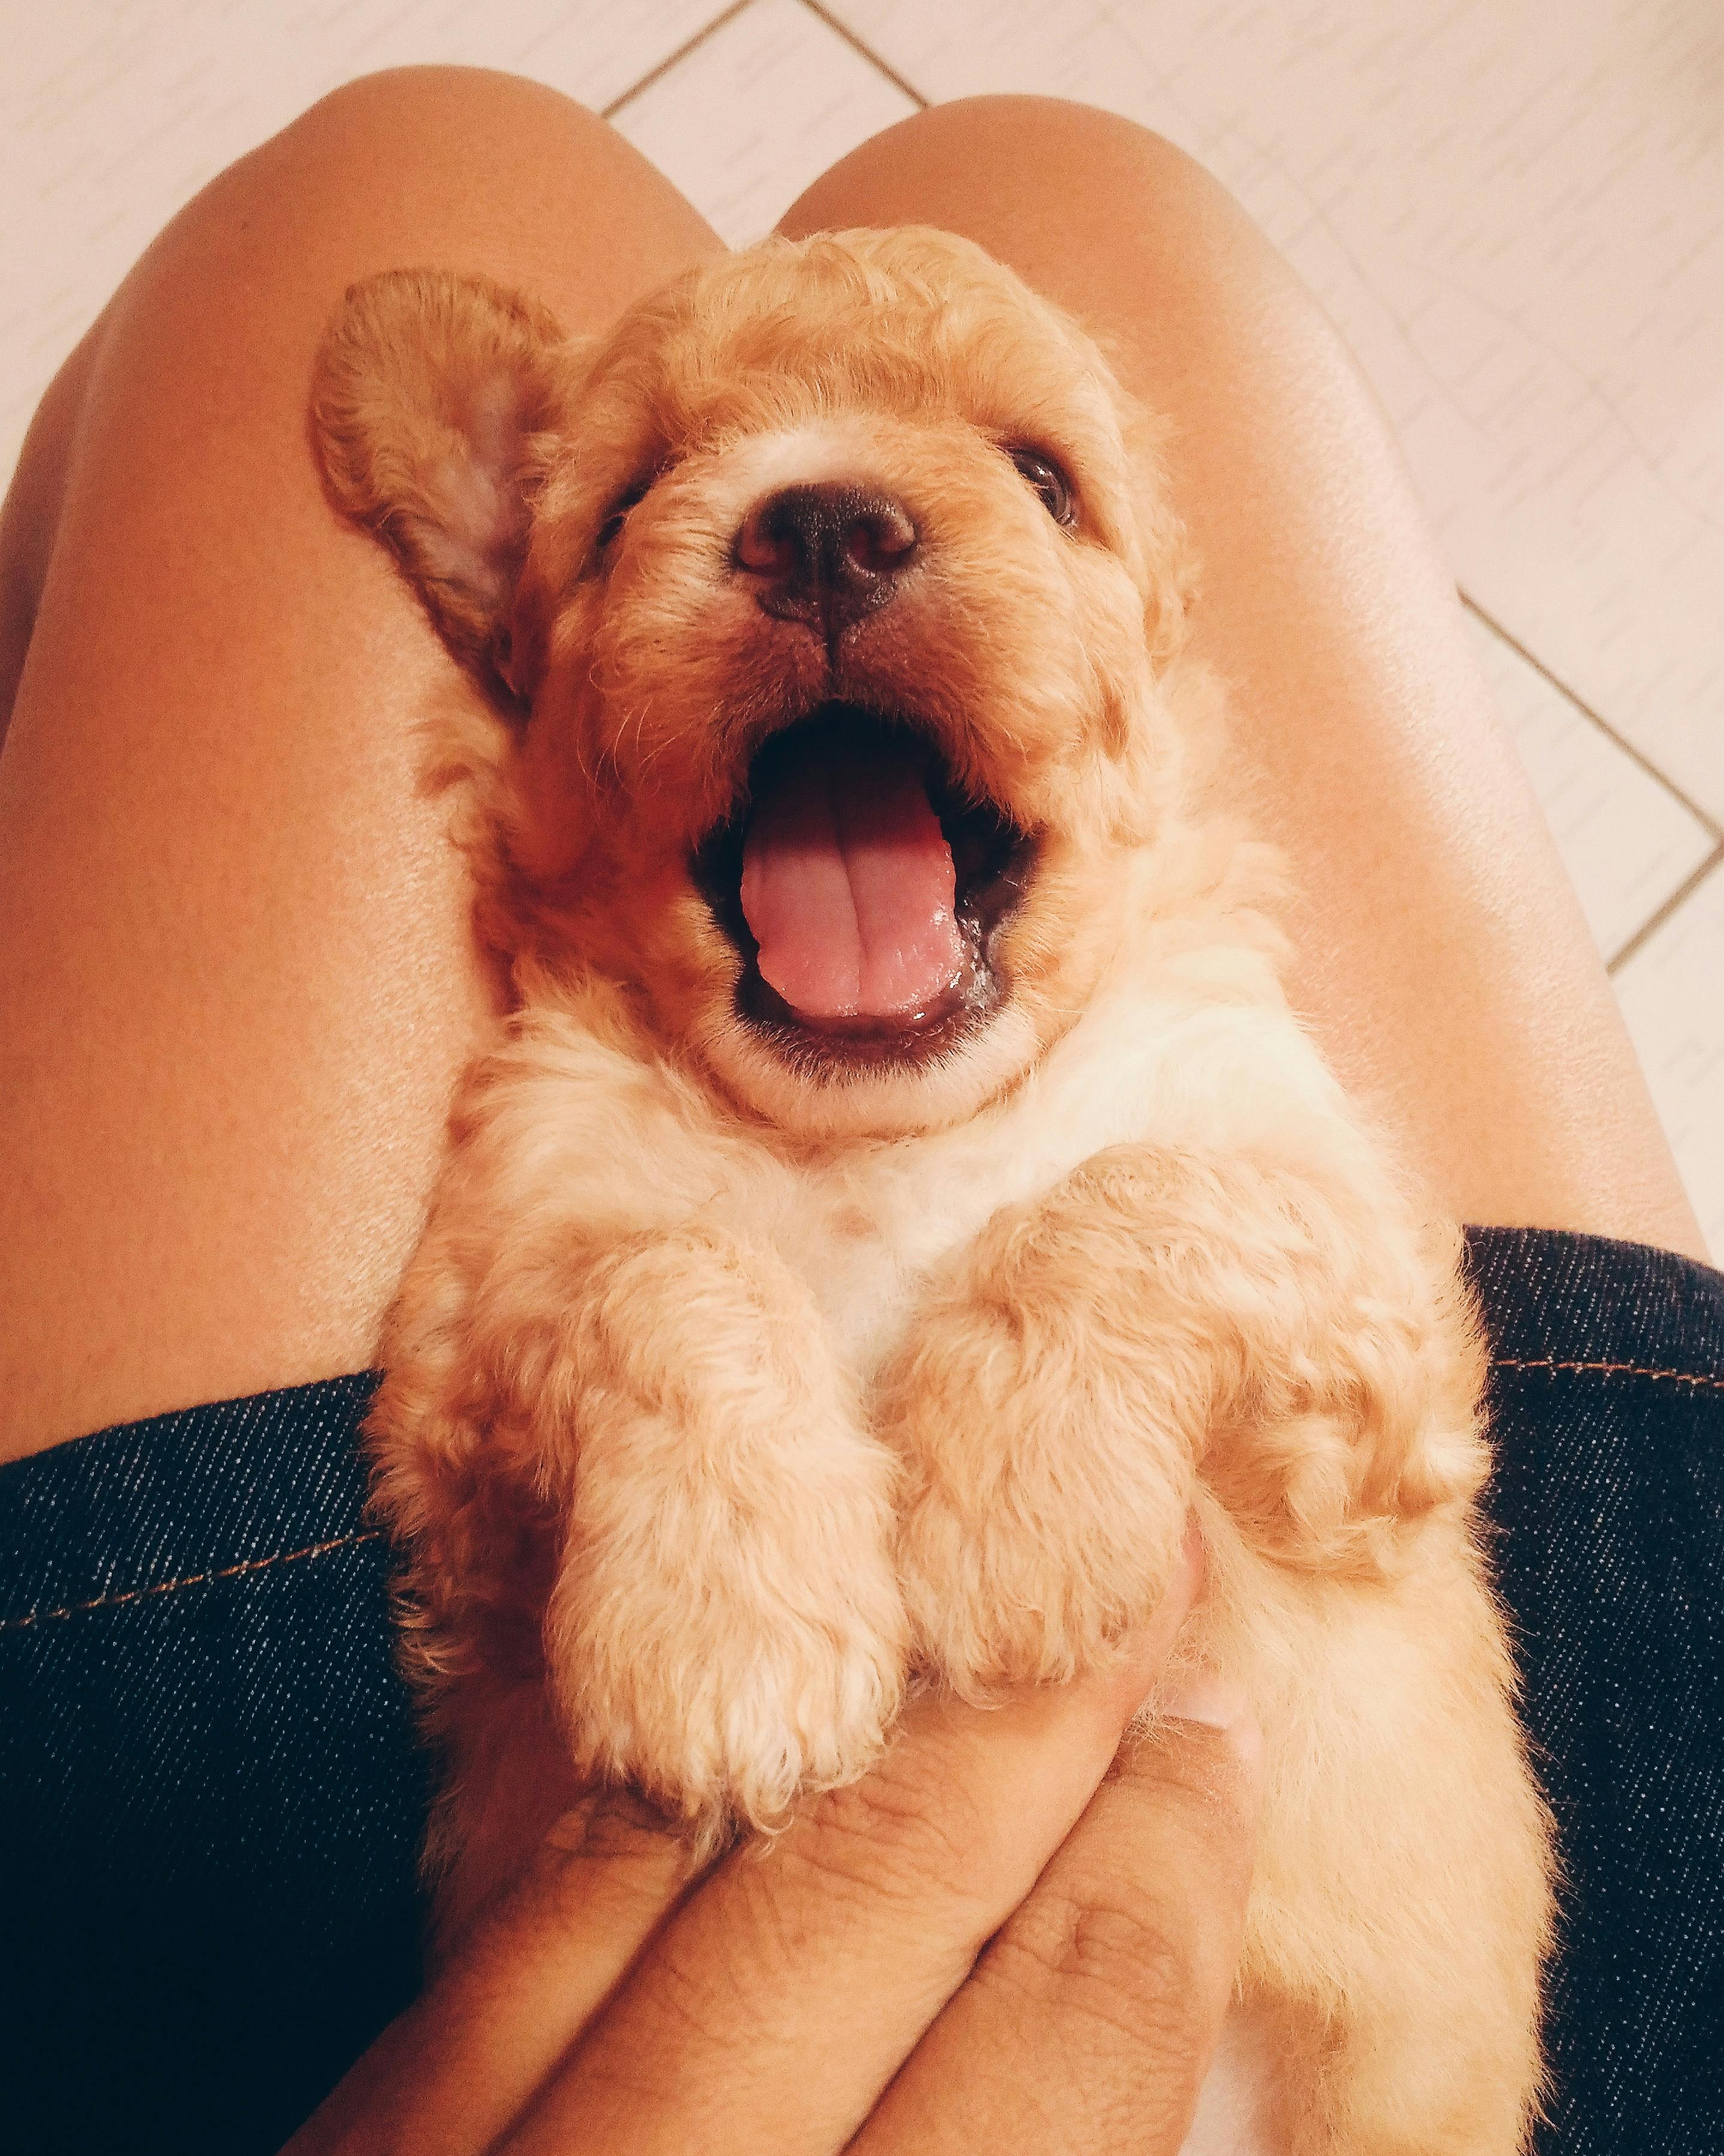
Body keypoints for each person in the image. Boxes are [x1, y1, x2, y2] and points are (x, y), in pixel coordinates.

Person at [0, 73, 1717, 2156]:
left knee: (391, 166)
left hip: (326, 2018)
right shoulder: (591, 1109)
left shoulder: (1186, 1015)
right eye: (642, 507)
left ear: (1162, 639)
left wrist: (1110, 1298)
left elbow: (1372, 1372)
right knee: (1079, 174)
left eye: (1034, 473)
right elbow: (484, 1435)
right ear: (513, 638)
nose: (826, 526)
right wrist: (664, 1368)